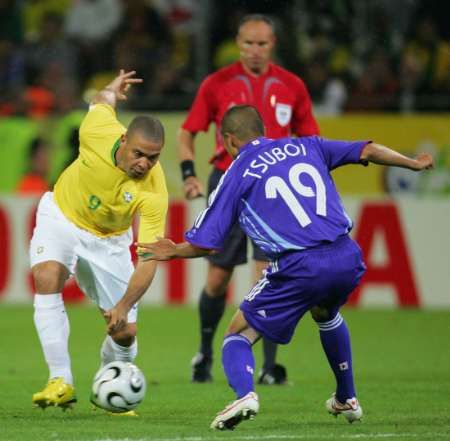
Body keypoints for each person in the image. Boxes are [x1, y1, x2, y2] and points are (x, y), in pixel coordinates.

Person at [135, 105, 434, 429]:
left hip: (300, 265)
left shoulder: (238, 171)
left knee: (237, 333)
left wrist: (173, 250)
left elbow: (207, 242)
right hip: (347, 255)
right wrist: (412, 164)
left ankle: (245, 394)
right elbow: (368, 149)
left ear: (229, 141)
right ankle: (347, 397)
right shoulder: (307, 145)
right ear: (263, 129)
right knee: (326, 313)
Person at [178, 13, 319, 384]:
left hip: (273, 189)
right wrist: (188, 174)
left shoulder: (292, 86)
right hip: (228, 182)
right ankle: (204, 355)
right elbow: (188, 133)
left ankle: (269, 368)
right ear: (238, 44)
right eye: (248, 43)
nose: (255, 51)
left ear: (273, 45)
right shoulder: (216, 84)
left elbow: (310, 142)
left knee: (269, 276)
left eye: (262, 44)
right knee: (218, 278)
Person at [30, 69, 168, 413]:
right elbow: (100, 103)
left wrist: (122, 307)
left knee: (125, 333)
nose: (144, 163)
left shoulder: (153, 192)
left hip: (110, 241)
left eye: (153, 157)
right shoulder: (96, 131)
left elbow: (149, 260)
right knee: (47, 277)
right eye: (138, 153)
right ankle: (60, 380)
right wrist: (110, 87)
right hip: (62, 215)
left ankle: (109, 380)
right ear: (123, 141)